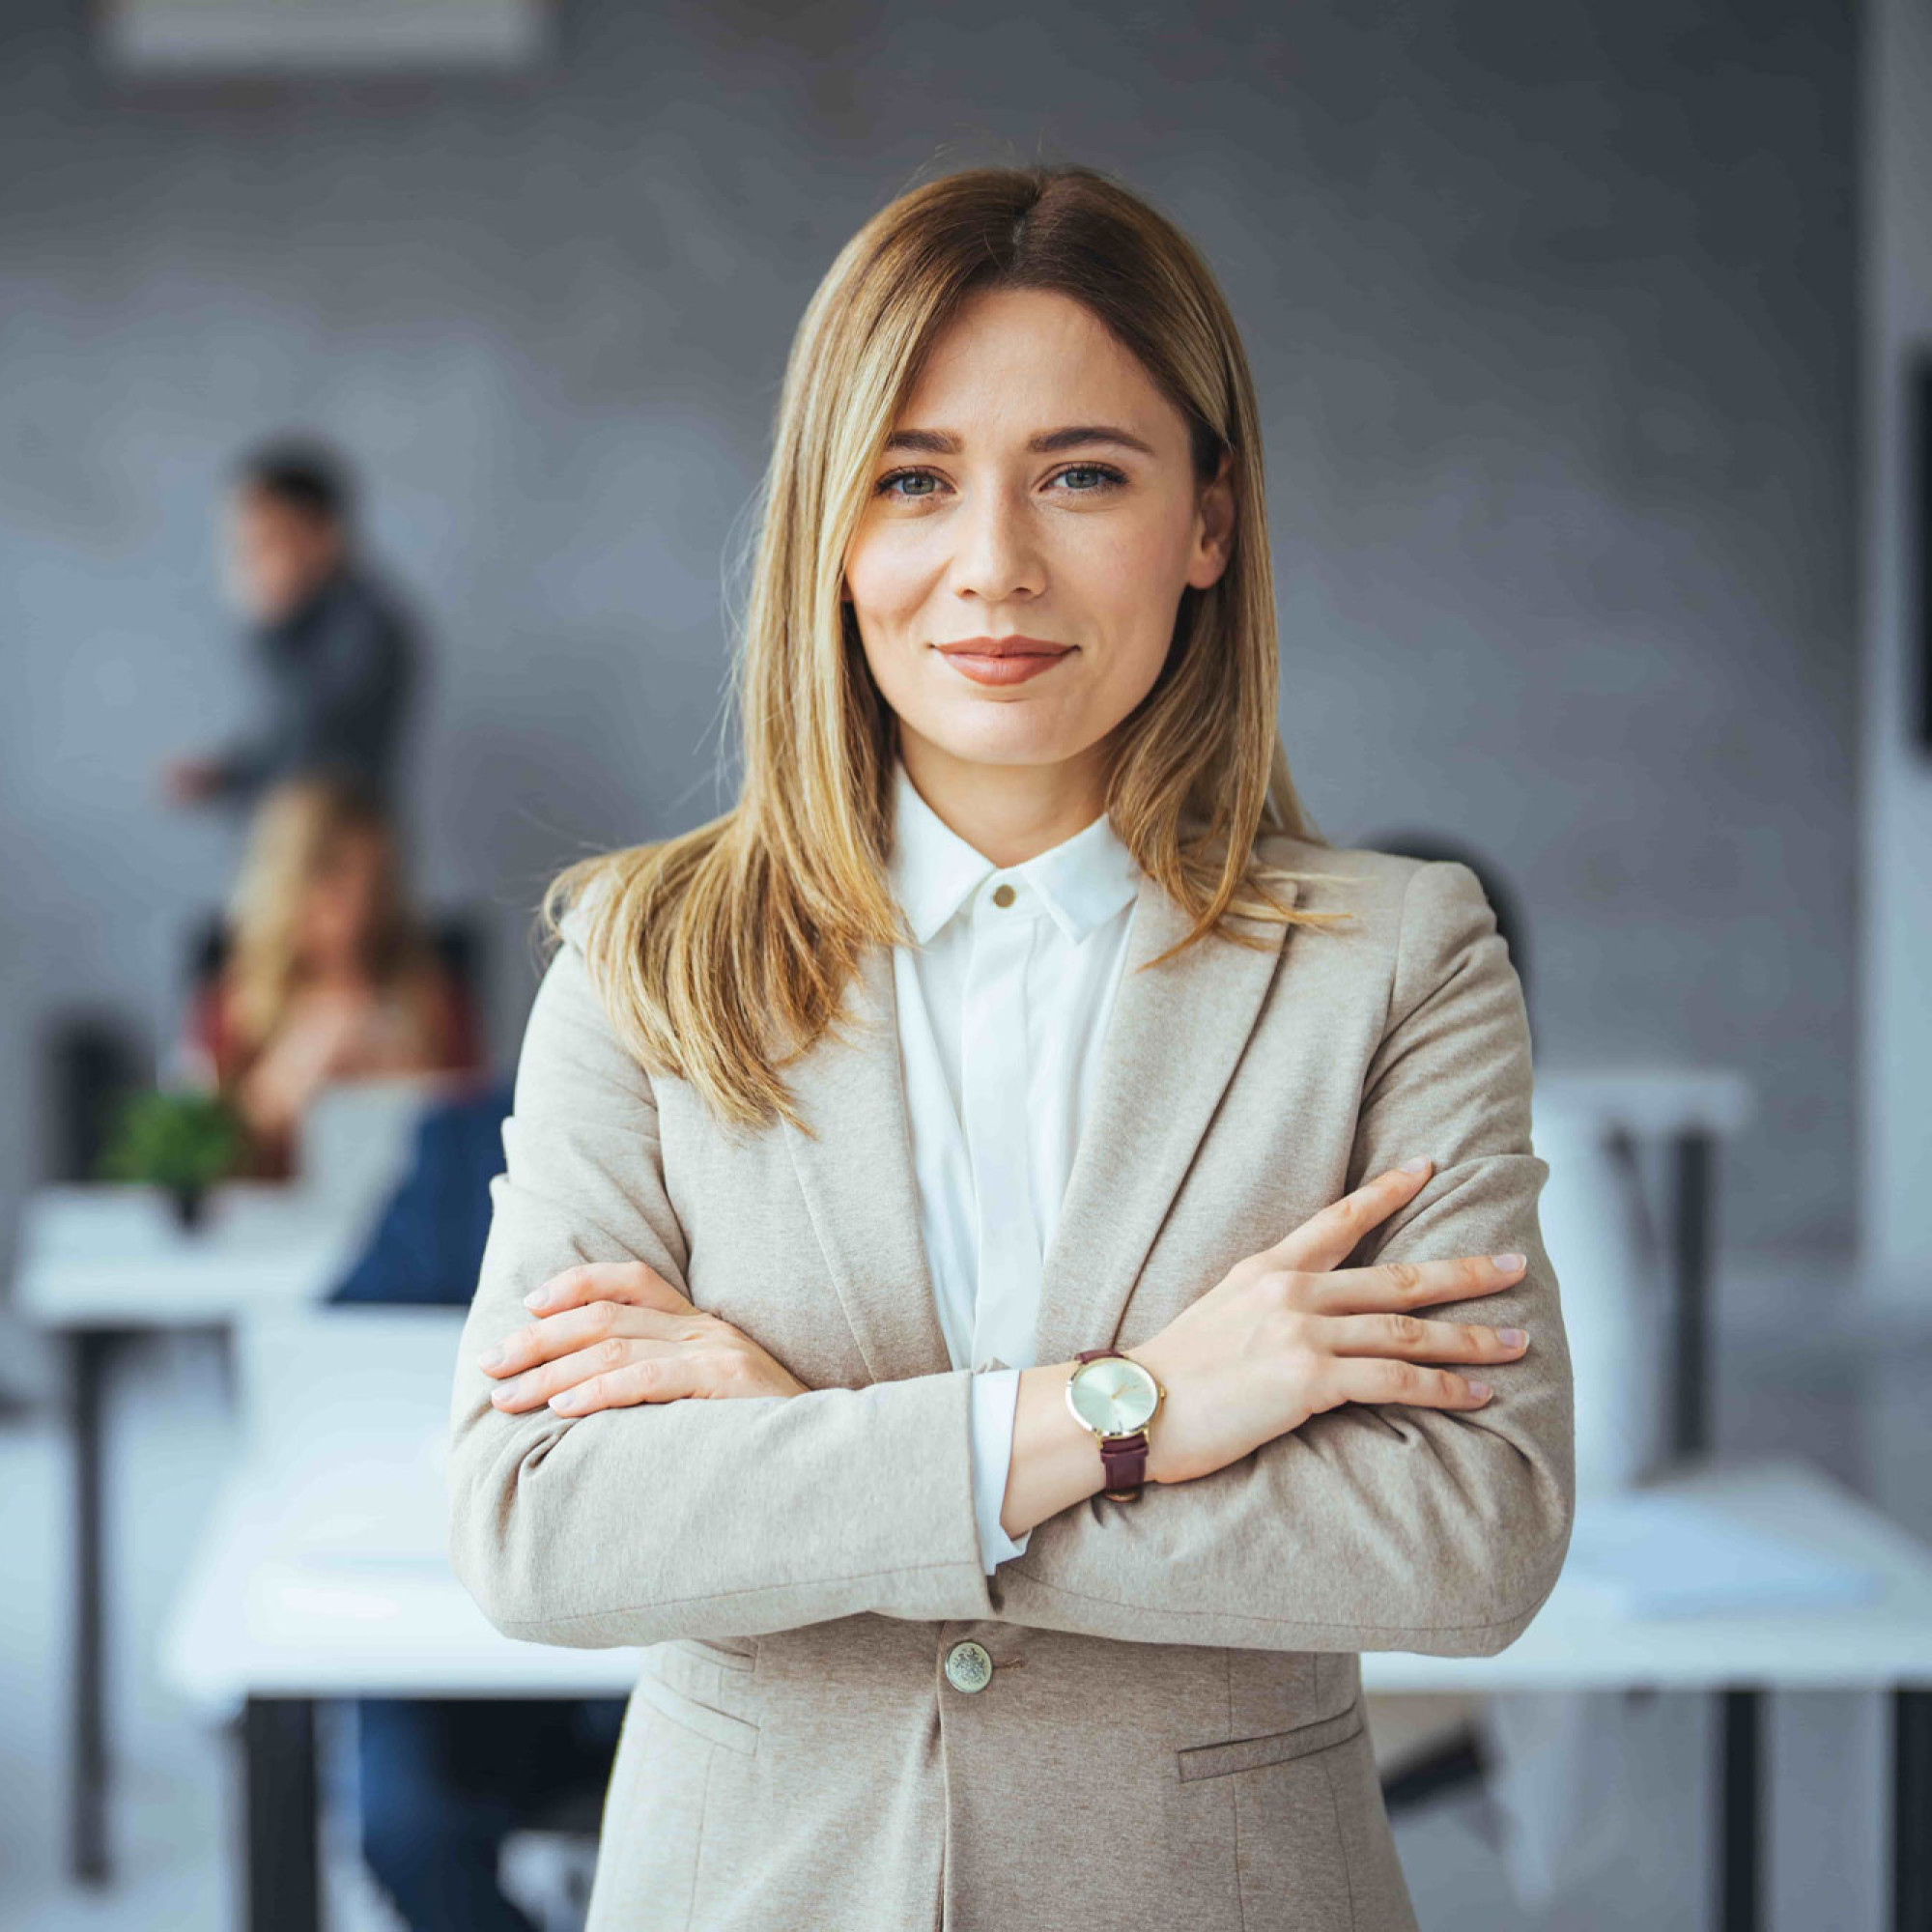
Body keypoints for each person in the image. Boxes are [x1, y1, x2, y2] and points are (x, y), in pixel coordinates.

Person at [446, 161, 1575, 1932]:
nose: (994, 567)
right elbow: (543, 1524)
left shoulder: (1397, 961)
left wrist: (815, 1458)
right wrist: (1135, 1414)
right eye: (914, 479)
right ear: (834, 524)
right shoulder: (648, 956)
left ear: (1209, 519)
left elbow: (1469, 1536)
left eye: (1083, 476)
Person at [329, 1077, 627, 1932]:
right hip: (463, 1602)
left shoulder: (758, 1137)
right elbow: (345, 1349)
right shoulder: (466, 1140)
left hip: (681, 1608)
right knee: (406, 1826)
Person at [184, 772, 480, 1179]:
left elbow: (479, 1135)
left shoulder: (433, 997)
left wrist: (410, 1095)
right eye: (334, 876)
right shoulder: (236, 1005)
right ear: (288, 880)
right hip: (281, 1229)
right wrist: (285, 1085)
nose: (356, 905)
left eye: (374, 882)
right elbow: (197, 1163)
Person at [159, 435, 420, 813]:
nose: (251, 563)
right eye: (244, 546)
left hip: (336, 847)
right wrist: (224, 774)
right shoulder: (311, 625)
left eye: (267, 542)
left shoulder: (364, 628)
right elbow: (278, 740)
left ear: (324, 533)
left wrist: (270, 631)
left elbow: (309, 746)